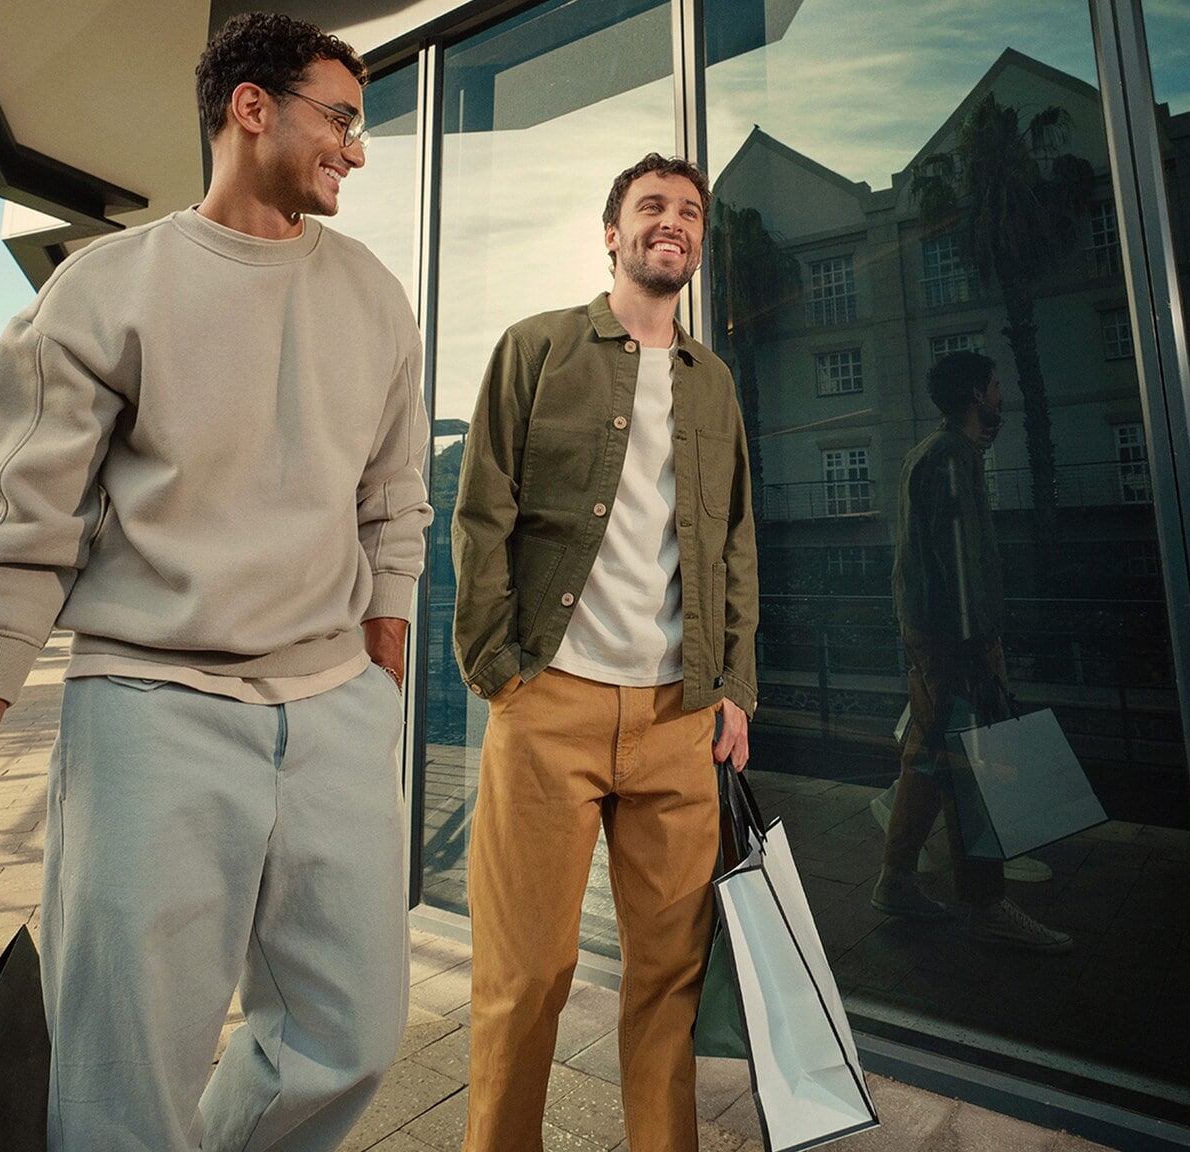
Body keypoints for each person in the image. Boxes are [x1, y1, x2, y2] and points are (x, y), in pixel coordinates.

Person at [0, 13, 431, 1150]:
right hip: (150, 714)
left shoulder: (375, 293)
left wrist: (379, 671)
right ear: (250, 108)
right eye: (339, 117)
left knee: (349, 1042)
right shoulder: (100, 291)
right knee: (123, 1087)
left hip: (330, 714)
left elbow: (394, 504)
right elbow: (9, 549)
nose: (357, 149)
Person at [451, 153, 758, 1152]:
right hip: (551, 706)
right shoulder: (536, 350)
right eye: (653, 208)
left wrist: (734, 693)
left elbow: (733, 544)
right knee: (525, 974)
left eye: (691, 212)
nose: (675, 222)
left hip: (679, 718)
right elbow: (480, 510)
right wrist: (497, 667)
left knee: (667, 981)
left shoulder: (711, 385)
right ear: (612, 234)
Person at [873, 350, 1072, 953]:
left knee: (930, 760)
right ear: (974, 397)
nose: (1001, 397)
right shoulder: (954, 461)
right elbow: (960, 566)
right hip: (955, 641)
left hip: (930, 634)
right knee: (974, 766)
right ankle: (985, 902)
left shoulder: (927, 455)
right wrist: (980, 646)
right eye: (994, 388)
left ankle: (897, 880)